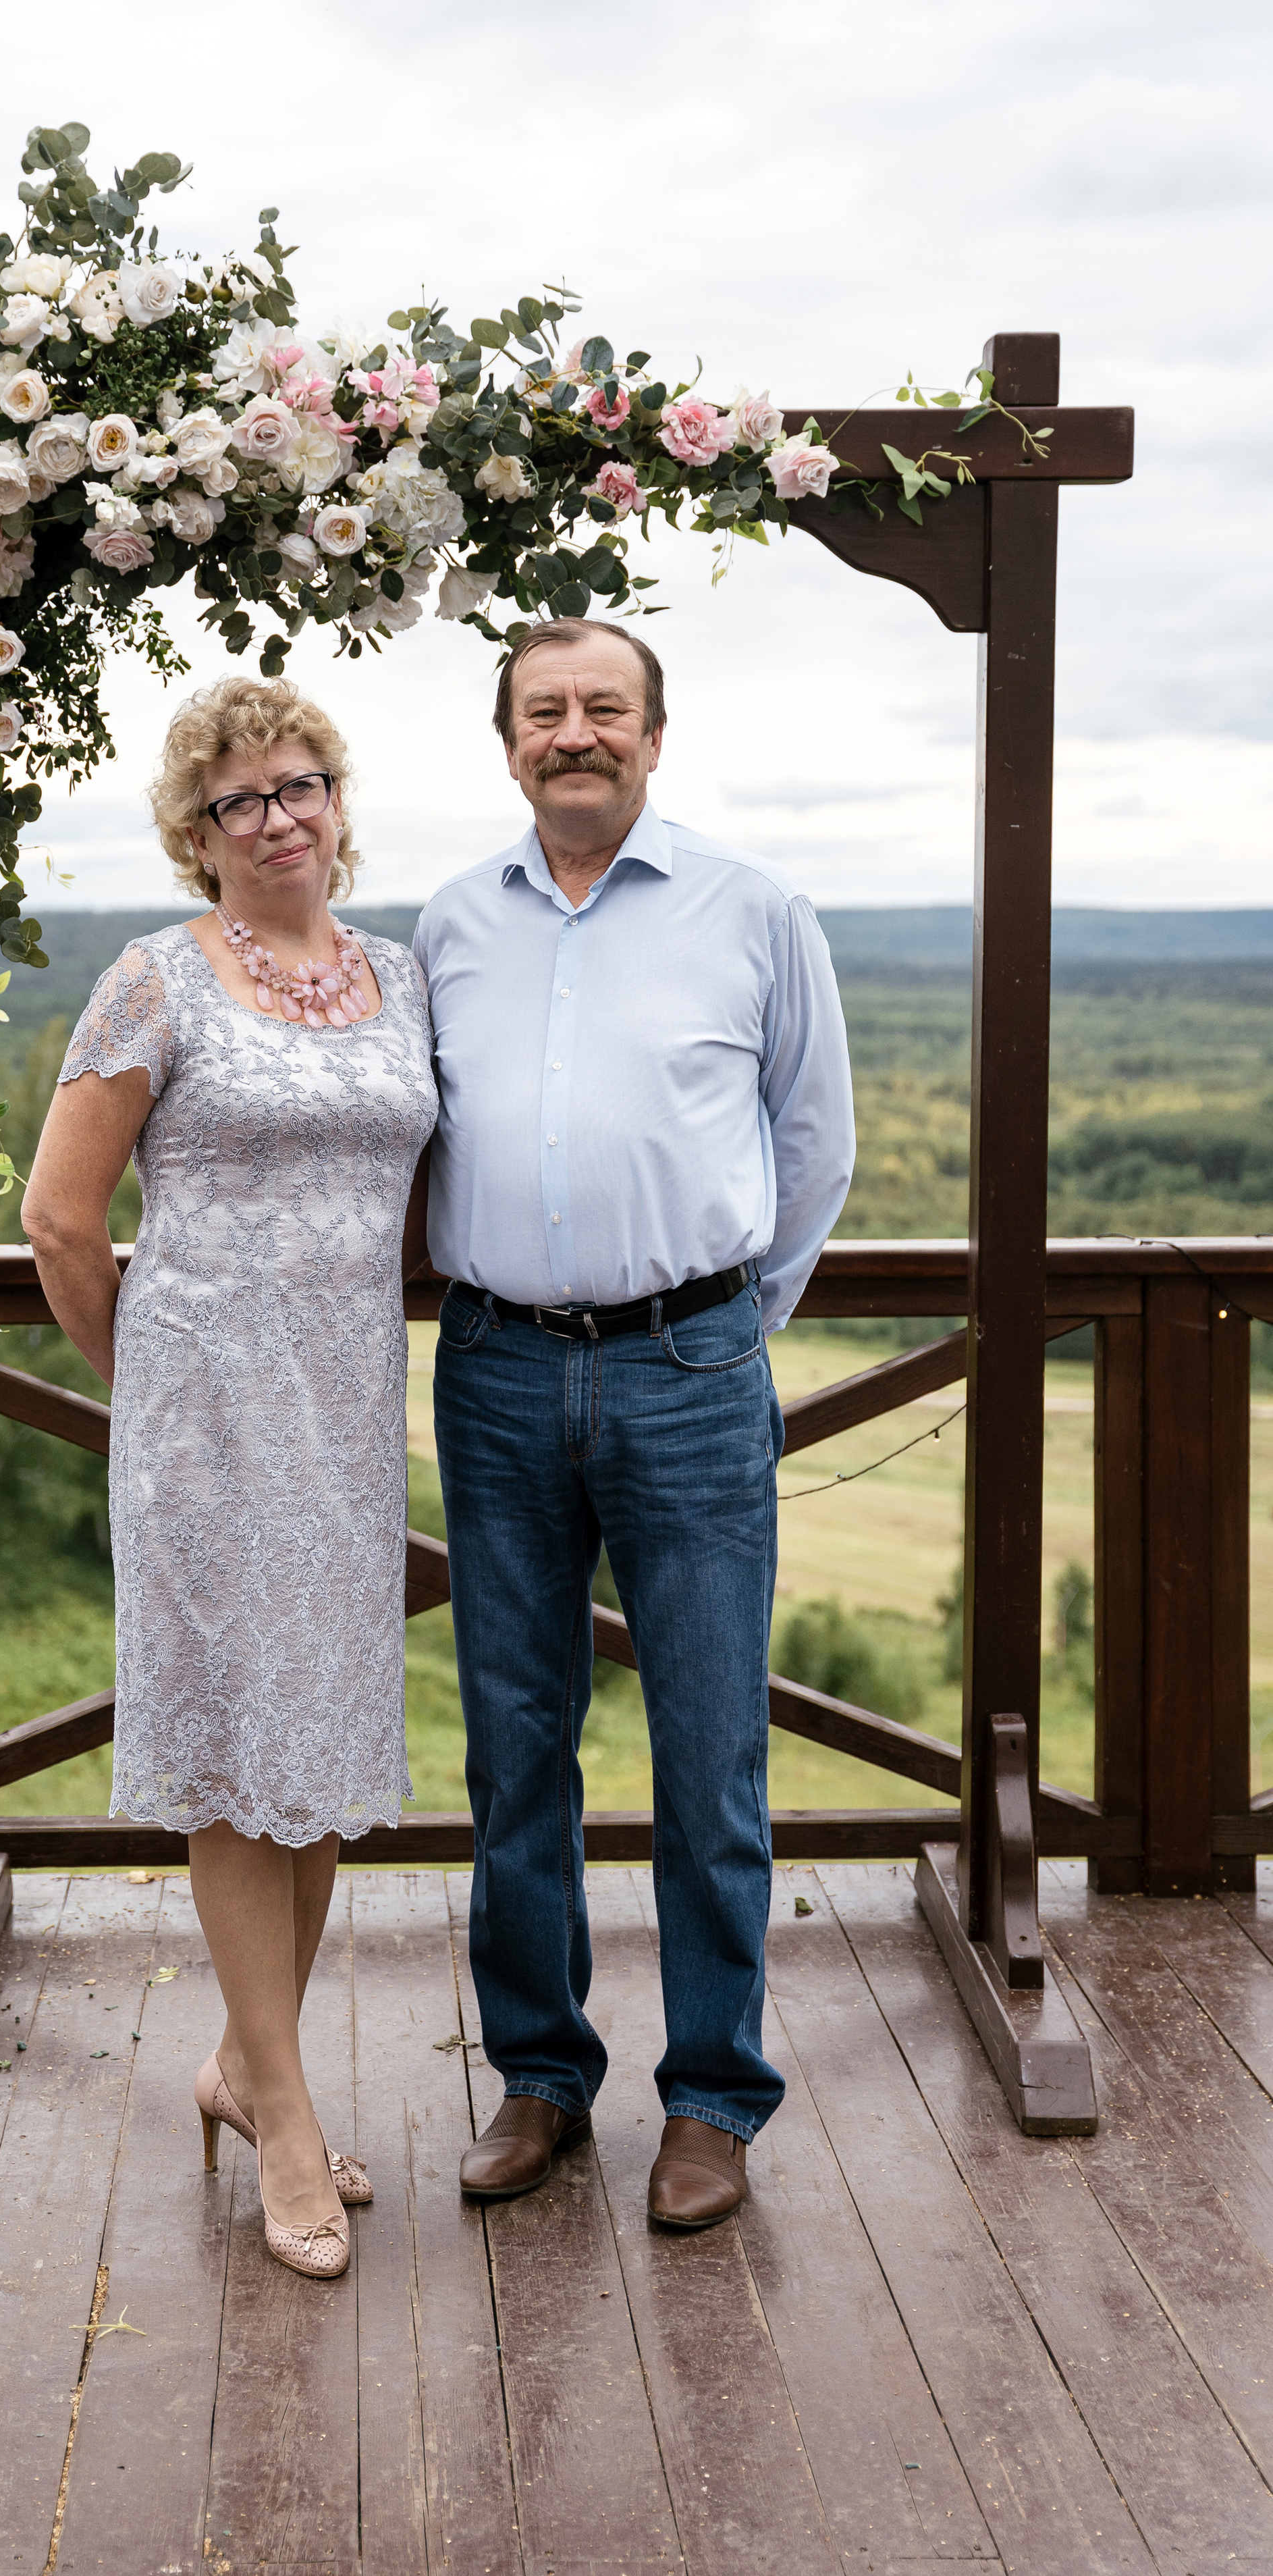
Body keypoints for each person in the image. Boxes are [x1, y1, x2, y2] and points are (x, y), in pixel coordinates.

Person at [412, 616, 854, 2229]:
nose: (574, 732)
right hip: (497, 1371)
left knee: (708, 1755)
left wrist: (730, 1322)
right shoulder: (451, 919)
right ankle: (537, 2080)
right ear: (508, 743)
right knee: (514, 1749)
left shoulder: (754, 910)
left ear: (654, 736)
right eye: (545, 711)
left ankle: (713, 2100)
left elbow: (812, 1143)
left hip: (685, 1371)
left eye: (605, 706)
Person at [22, 676, 437, 2280]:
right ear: (195, 837)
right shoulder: (151, 982)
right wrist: (150, 1387)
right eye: (237, 800)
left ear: (340, 802)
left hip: (342, 1417)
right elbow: (62, 1219)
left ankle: (236, 2063)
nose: (276, 816)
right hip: (200, 1422)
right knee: (225, 1753)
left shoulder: (399, 977)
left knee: (318, 1747)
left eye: (300, 784)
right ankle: (279, 2116)